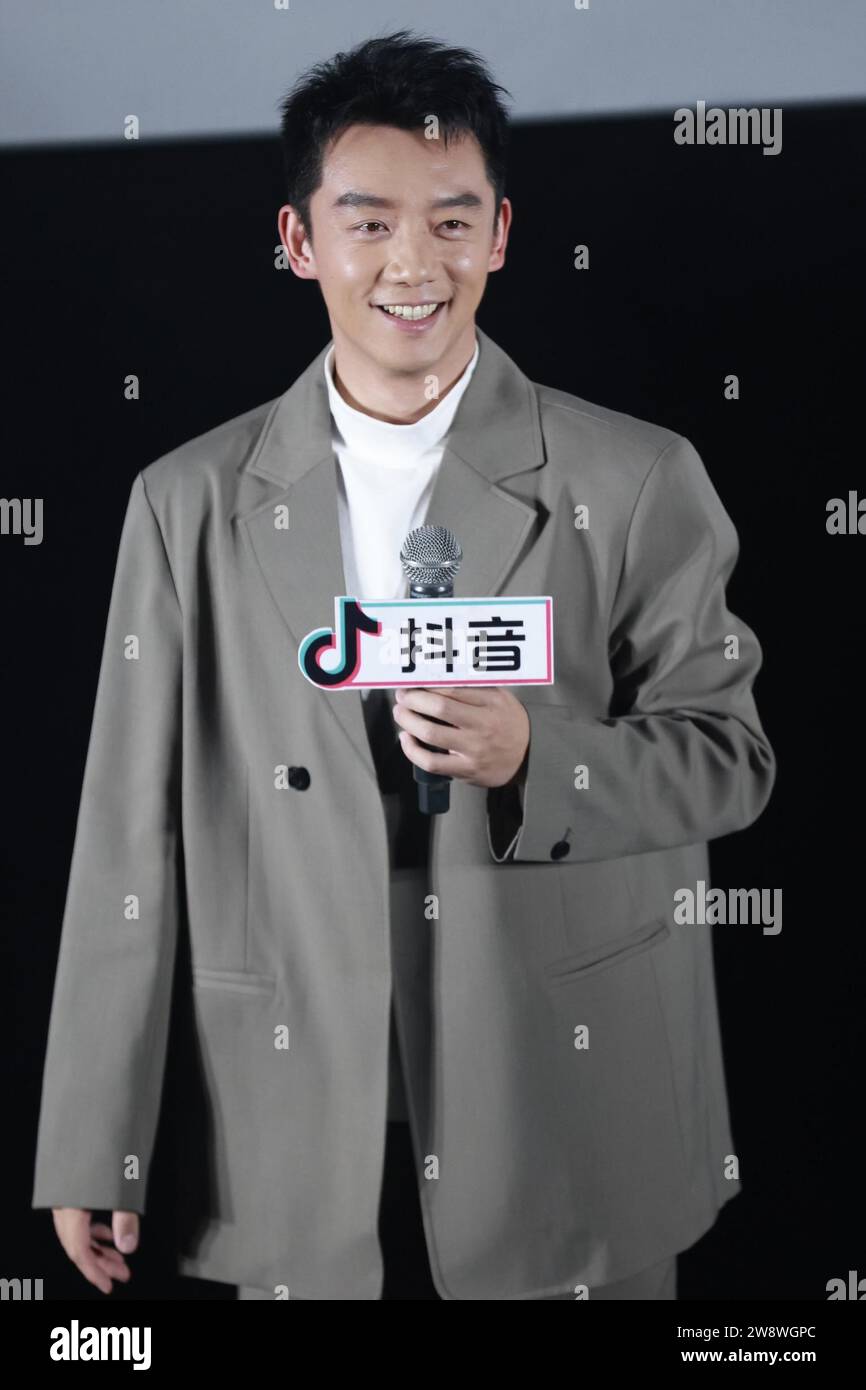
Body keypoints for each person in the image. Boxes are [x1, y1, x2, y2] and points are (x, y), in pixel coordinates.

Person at [32, 30, 776, 1301]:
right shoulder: (185, 503)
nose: (410, 264)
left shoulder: (635, 478)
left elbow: (729, 763)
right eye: (366, 223)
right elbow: (124, 841)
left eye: (450, 220)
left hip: (556, 1100)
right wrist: (92, 1133)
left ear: (498, 235)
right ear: (298, 239)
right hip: (282, 1102)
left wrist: (537, 755)